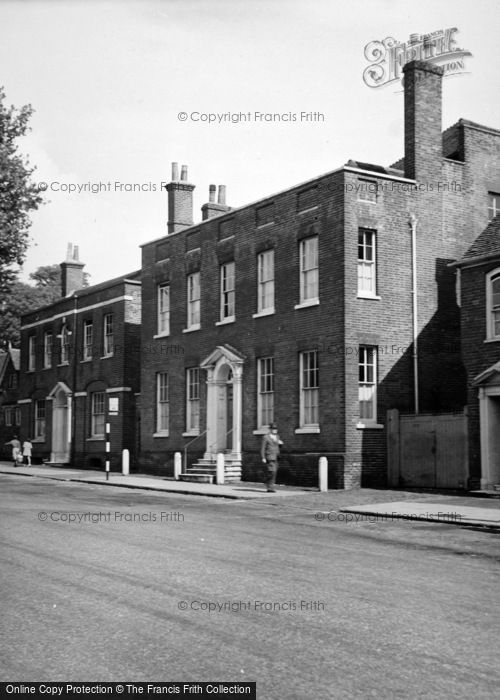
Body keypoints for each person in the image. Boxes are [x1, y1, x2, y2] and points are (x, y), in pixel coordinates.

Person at [261, 422, 283, 492]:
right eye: (273, 429)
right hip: (269, 456)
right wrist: (263, 457)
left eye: (276, 429)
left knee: (274, 472)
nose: (275, 430)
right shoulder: (266, 437)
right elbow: (263, 448)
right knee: (272, 471)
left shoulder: (277, 436)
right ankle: (270, 487)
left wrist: (280, 444)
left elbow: (277, 447)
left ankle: (270, 485)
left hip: (276, 456)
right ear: (270, 429)